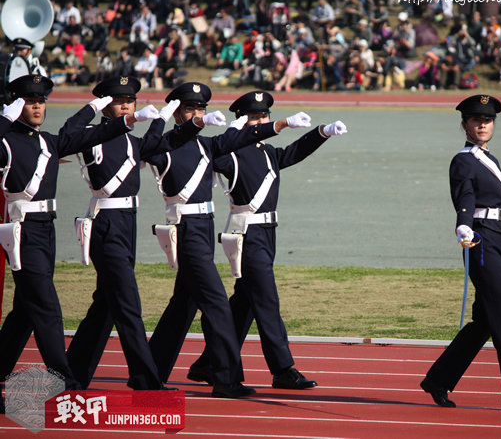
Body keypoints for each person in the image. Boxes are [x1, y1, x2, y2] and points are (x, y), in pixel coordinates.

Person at [145, 83, 313, 398]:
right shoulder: (164, 147)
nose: (198, 115)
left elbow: (246, 137)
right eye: (190, 109)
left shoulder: (208, 146)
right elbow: (150, 146)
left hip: (205, 230)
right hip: (186, 229)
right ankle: (226, 378)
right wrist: (161, 116)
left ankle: (150, 371)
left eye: (201, 109)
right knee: (218, 305)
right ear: (177, 112)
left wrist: (287, 126)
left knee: (183, 305)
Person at [186, 91, 347, 390]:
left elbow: (294, 152)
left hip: (267, 234)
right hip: (246, 235)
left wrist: (321, 133)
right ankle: (282, 369)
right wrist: (233, 130)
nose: (262, 120)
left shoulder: (266, 151)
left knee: (245, 303)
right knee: (267, 301)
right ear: (242, 120)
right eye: (255, 116)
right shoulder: (229, 153)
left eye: (264, 116)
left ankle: (208, 362)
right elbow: (207, 155)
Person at [0, 75, 147, 392]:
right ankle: (65, 381)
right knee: (47, 308)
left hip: (45, 229)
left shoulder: (47, 142)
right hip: (22, 230)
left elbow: (89, 134)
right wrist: (4, 119)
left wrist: (112, 113)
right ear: (14, 104)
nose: (37, 106)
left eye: (41, 101)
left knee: (25, 312)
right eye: (29, 101)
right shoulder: (6, 141)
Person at [420, 94, 501, 412]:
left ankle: (438, 379)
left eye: (487, 120)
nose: (482, 124)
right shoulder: (464, 160)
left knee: (485, 322)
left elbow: (500, 210)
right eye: (476, 119)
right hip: (480, 242)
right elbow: (464, 196)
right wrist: (462, 225)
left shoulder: (489, 159)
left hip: (500, 242)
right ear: (464, 124)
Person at [65, 76, 184, 390]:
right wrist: (92, 108)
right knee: (128, 302)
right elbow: (67, 135)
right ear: (106, 104)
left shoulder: (132, 140)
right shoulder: (92, 136)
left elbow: (160, 144)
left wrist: (168, 119)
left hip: (128, 223)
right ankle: (145, 377)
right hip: (106, 222)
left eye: (130, 101)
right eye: (118, 101)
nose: (127, 106)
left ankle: (72, 373)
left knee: (106, 303)